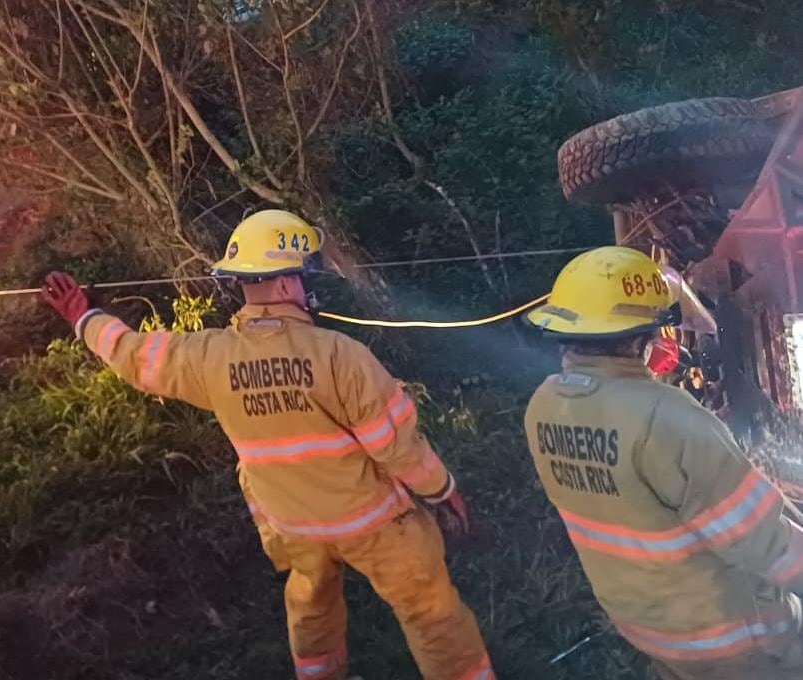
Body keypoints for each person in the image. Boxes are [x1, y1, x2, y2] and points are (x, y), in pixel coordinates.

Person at [42, 210, 494, 680]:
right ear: (282, 285)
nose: (308, 288)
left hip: (293, 526)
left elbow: (132, 355)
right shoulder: (340, 355)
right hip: (374, 523)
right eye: (303, 277)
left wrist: (84, 316)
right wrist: (444, 491)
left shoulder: (210, 357)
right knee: (431, 610)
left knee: (311, 614)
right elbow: (397, 447)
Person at [523, 246, 803, 680]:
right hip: (738, 641)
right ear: (641, 336)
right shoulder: (666, 418)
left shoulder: (543, 406)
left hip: (652, 630)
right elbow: (765, 543)